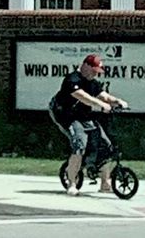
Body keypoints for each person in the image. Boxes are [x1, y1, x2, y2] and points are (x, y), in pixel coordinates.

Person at [49, 53, 128, 195]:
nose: (95, 75)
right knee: (80, 144)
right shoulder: (72, 79)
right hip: (67, 116)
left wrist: (117, 101)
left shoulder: (93, 82)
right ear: (85, 66)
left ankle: (105, 183)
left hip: (84, 116)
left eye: (97, 72)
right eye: (93, 71)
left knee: (105, 145)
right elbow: (82, 96)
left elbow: (103, 95)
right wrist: (100, 105)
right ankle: (72, 184)